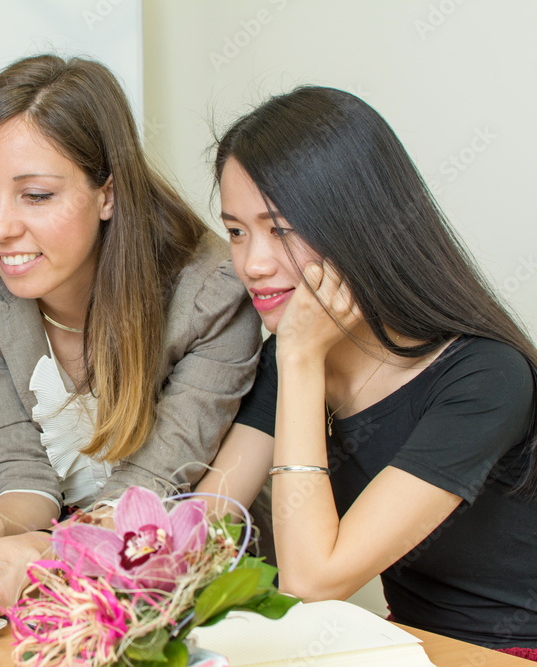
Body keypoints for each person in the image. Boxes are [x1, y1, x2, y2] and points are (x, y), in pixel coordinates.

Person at [0, 54, 261, 618]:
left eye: (36, 195)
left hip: (178, 588)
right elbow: (21, 463)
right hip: (40, 588)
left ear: (108, 194)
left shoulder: (211, 293)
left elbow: (155, 487)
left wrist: (32, 556)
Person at [195, 86, 537, 654]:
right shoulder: (294, 353)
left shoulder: (486, 377)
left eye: (280, 229)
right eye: (236, 231)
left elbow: (313, 578)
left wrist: (302, 360)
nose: (252, 264)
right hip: (408, 645)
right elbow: (209, 518)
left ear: (358, 223)